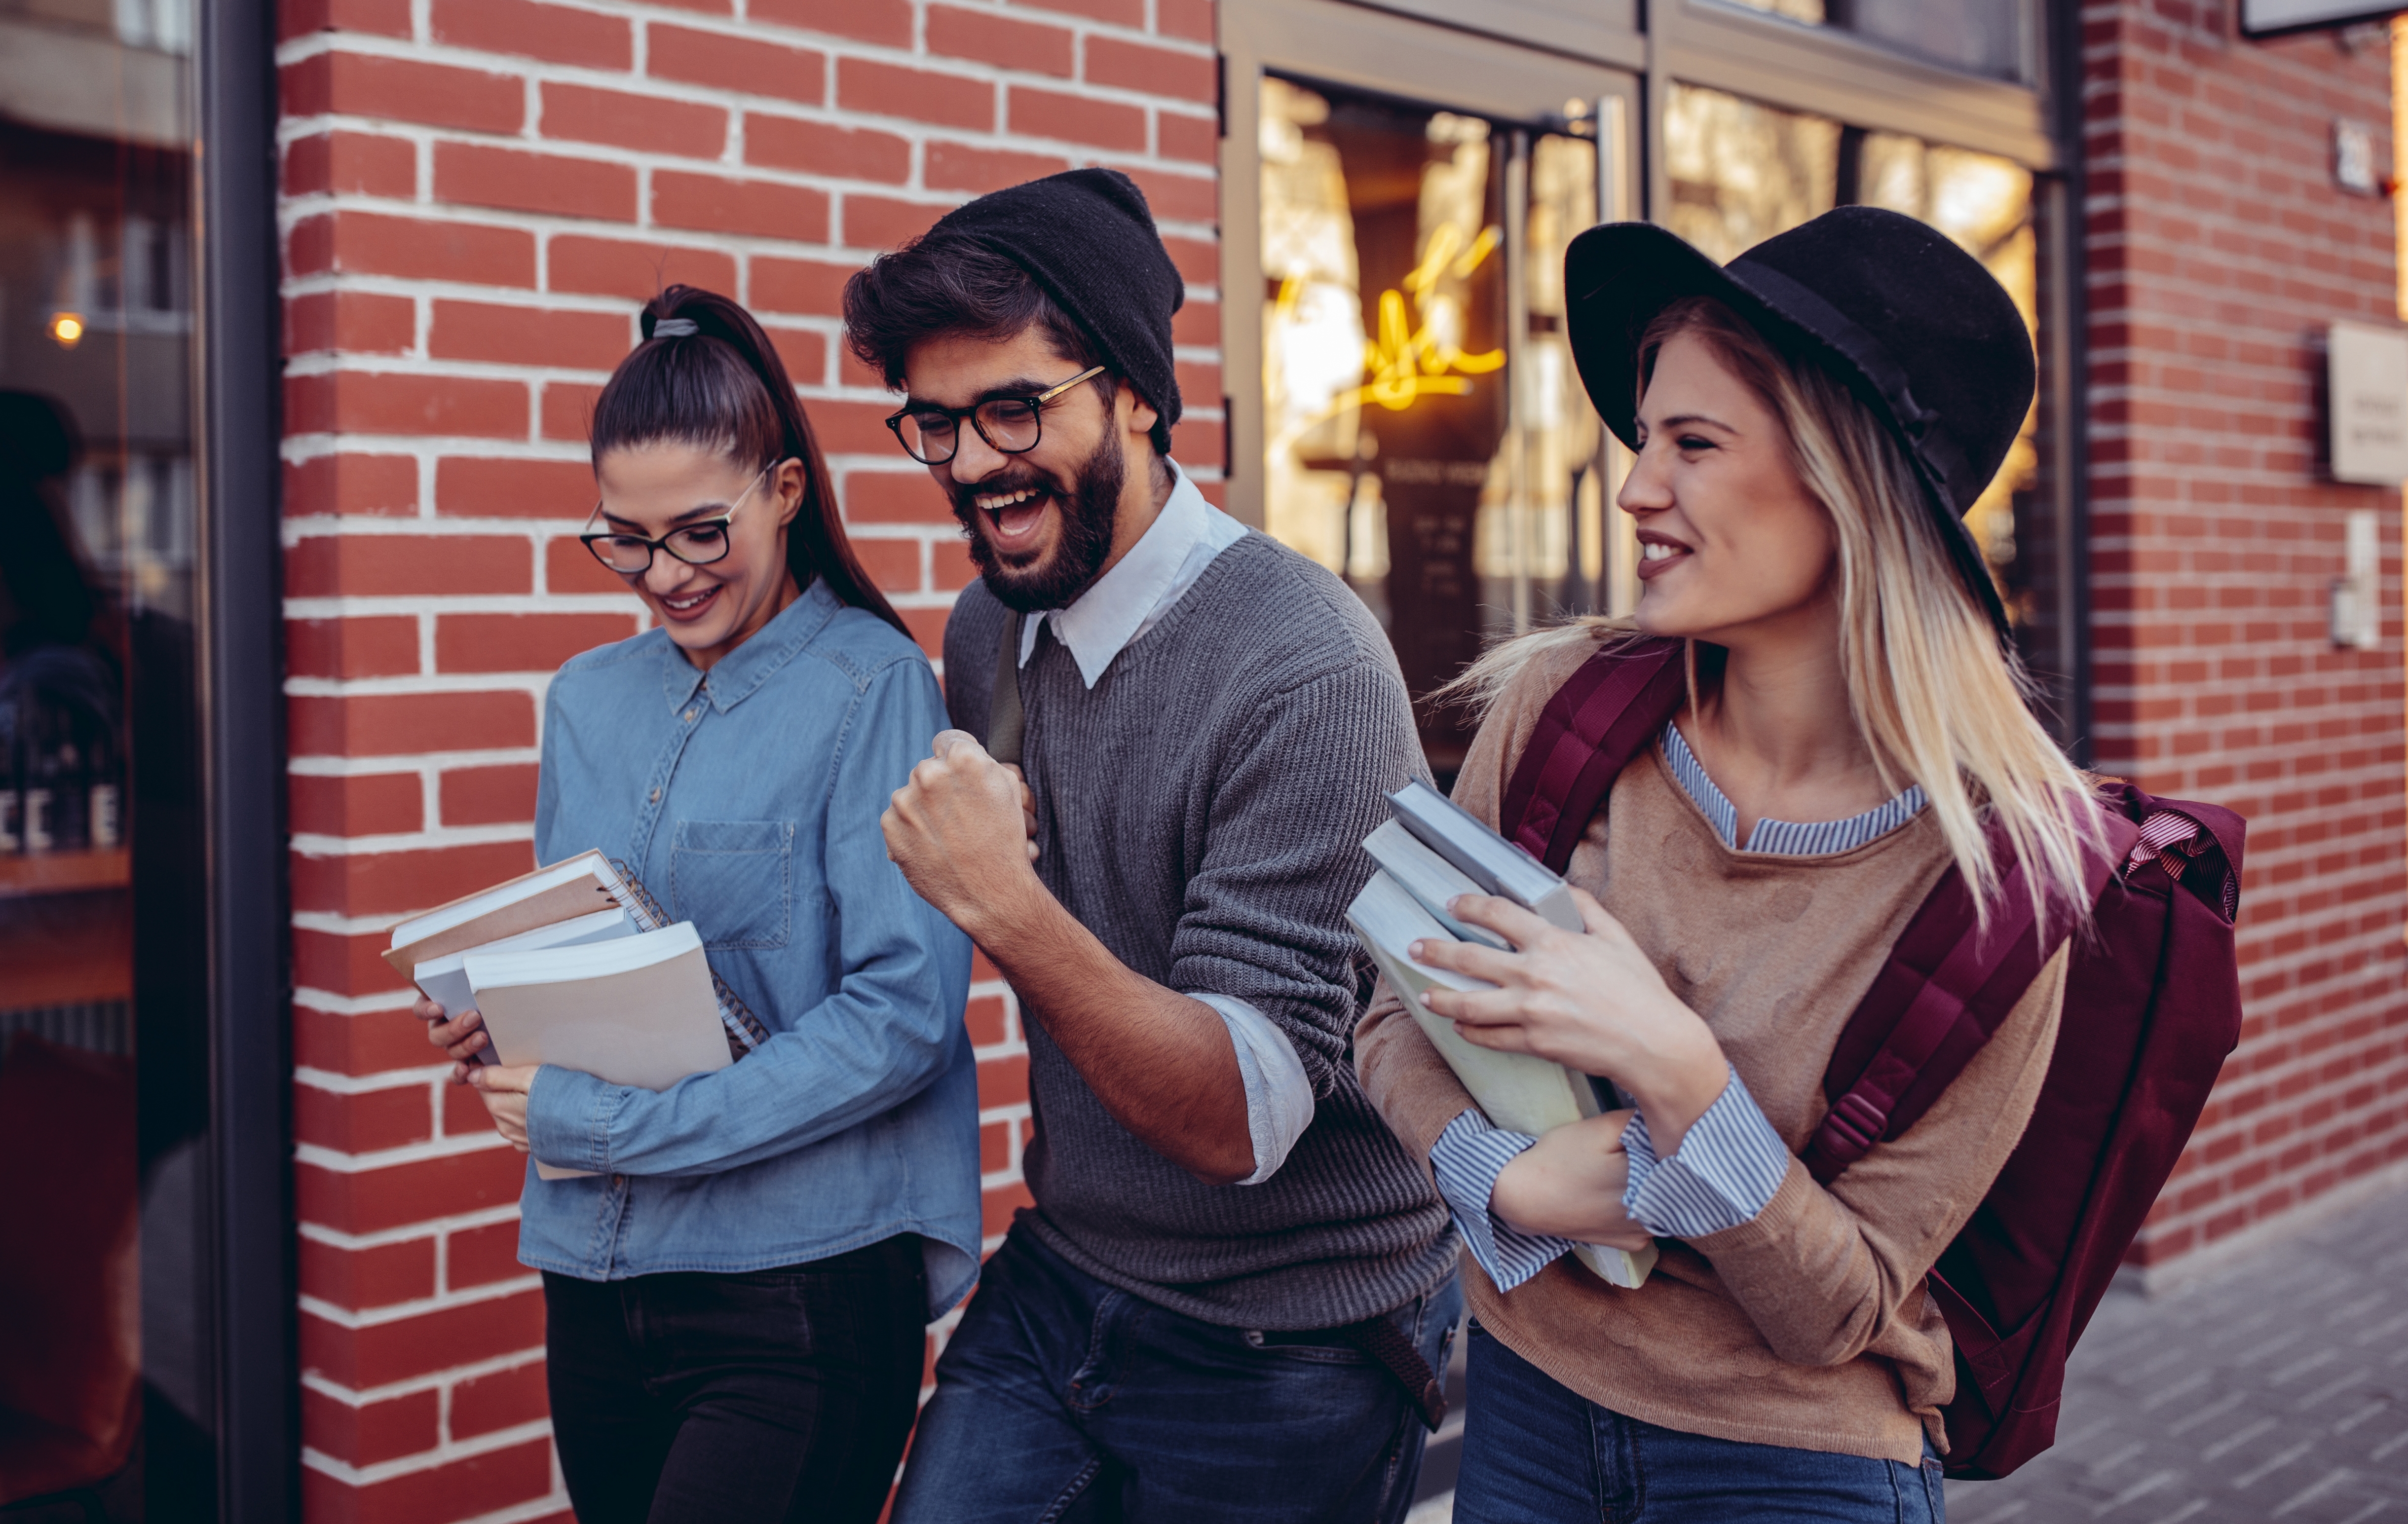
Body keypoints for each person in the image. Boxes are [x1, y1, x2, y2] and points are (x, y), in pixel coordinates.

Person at [1353, 206, 2109, 1523]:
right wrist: (1504, 1180)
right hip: (1525, 1404)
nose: (1636, 487)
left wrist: (1675, 1065)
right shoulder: (1561, 713)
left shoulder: (2004, 878)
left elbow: (1840, 1314)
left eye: (1693, 445)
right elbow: (1393, 1018)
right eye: (1645, 439)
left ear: (1846, 484)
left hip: (1791, 1464)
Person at [850, 168, 1461, 1524]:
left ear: (1133, 389)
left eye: (1015, 408)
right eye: (935, 423)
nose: (969, 464)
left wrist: (1006, 908)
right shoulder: (990, 630)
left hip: (1290, 1329)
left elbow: (1241, 1117)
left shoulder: (1300, 665)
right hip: (1066, 1268)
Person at [414, 286, 979, 1524]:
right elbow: (580, 948)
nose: (663, 575)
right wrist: (504, 1020)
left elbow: (900, 1016)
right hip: (595, 1280)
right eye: (626, 539)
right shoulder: (586, 699)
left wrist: (609, 1126)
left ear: (784, 493)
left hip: (796, 1290)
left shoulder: (870, 689)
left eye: (699, 534)